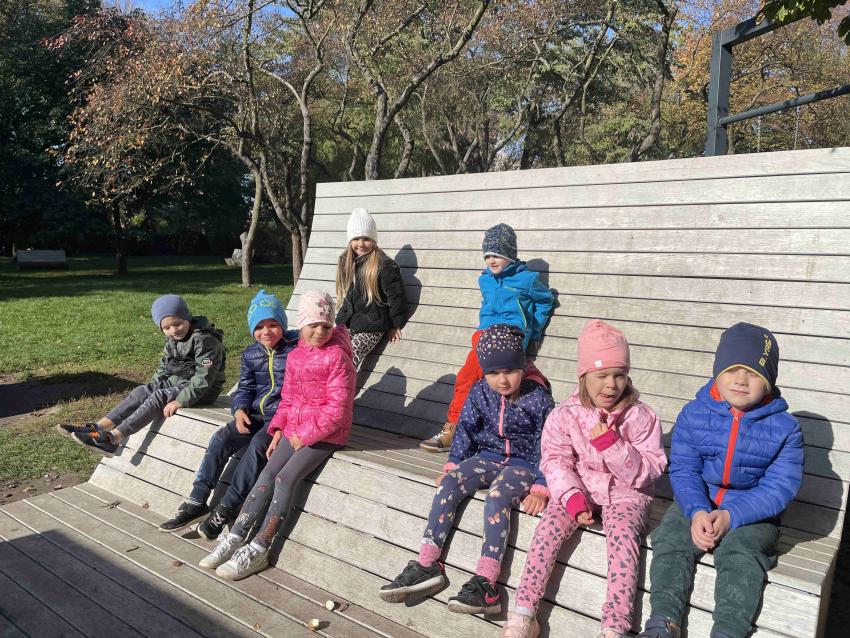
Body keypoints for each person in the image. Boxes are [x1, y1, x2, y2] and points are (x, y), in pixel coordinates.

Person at [637, 322, 804, 638]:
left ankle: (728, 632)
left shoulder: (785, 429)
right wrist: (697, 510)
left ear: (769, 381)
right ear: (717, 372)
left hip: (753, 513)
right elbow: (684, 468)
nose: (741, 380)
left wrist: (732, 516)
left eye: (753, 373)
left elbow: (779, 487)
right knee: (670, 538)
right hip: (699, 500)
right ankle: (663, 622)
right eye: (732, 370)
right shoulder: (695, 414)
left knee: (742, 554)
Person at [501, 320, 666, 638]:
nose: (611, 385)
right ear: (584, 376)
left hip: (627, 494)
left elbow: (648, 469)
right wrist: (572, 497)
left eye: (619, 375)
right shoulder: (566, 414)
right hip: (580, 488)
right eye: (602, 375)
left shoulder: (641, 416)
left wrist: (613, 446)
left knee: (623, 541)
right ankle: (524, 613)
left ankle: (615, 626)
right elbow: (555, 460)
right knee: (547, 530)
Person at [380, 324, 553, 616]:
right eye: (494, 373)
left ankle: (486, 584)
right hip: (487, 457)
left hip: (523, 464)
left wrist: (540, 485)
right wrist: (453, 464)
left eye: (510, 371)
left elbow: (548, 443)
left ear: (523, 366)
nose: (502, 380)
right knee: (448, 484)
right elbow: (465, 431)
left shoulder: (538, 396)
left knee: (496, 497)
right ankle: (427, 564)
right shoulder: (480, 391)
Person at [199, 290, 356, 580]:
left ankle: (260, 546)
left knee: (284, 478)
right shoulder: (296, 356)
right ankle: (235, 537)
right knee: (267, 475)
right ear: (302, 324)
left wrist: (304, 435)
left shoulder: (337, 357)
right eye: (313, 325)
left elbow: (337, 410)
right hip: (294, 430)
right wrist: (278, 429)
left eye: (326, 325)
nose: (320, 331)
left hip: (326, 434)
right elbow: (288, 400)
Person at [158, 290, 298, 536]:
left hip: (282, 418)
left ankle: (226, 508)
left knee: (257, 447)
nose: (266, 331)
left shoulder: (296, 351)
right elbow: (245, 388)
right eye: (259, 327)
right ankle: (197, 500)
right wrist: (239, 410)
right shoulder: (251, 354)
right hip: (254, 415)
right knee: (221, 438)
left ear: (283, 325)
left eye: (273, 324)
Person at [420, 223, 554, 453]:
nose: (491, 260)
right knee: (473, 378)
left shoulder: (527, 280)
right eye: (487, 256)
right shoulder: (485, 279)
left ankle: (454, 428)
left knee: (469, 376)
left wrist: (535, 329)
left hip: (510, 335)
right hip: (484, 335)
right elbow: (486, 304)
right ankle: (465, 430)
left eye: (497, 255)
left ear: (510, 255)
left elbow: (545, 300)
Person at [58, 294, 225, 457]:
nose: (173, 330)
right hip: (180, 381)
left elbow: (204, 377)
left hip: (204, 390)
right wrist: (149, 388)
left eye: (177, 324)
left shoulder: (204, 339)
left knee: (159, 396)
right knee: (141, 391)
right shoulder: (173, 339)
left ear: (187, 317)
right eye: (166, 328)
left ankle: (111, 439)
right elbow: (164, 367)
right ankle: (97, 428)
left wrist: (182, 400)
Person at [335, 208, 407, 370]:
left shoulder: (384, 265)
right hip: (350, 322)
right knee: (331, 351)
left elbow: (396, 297)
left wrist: (395, 325)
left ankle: (343, 384)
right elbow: (349, 297)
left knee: (348, 359)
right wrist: (340, 321)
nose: (361, 244)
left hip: (372, 326)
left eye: (366, 238)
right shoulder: (348, 261)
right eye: (356, 238)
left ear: (374, 240)